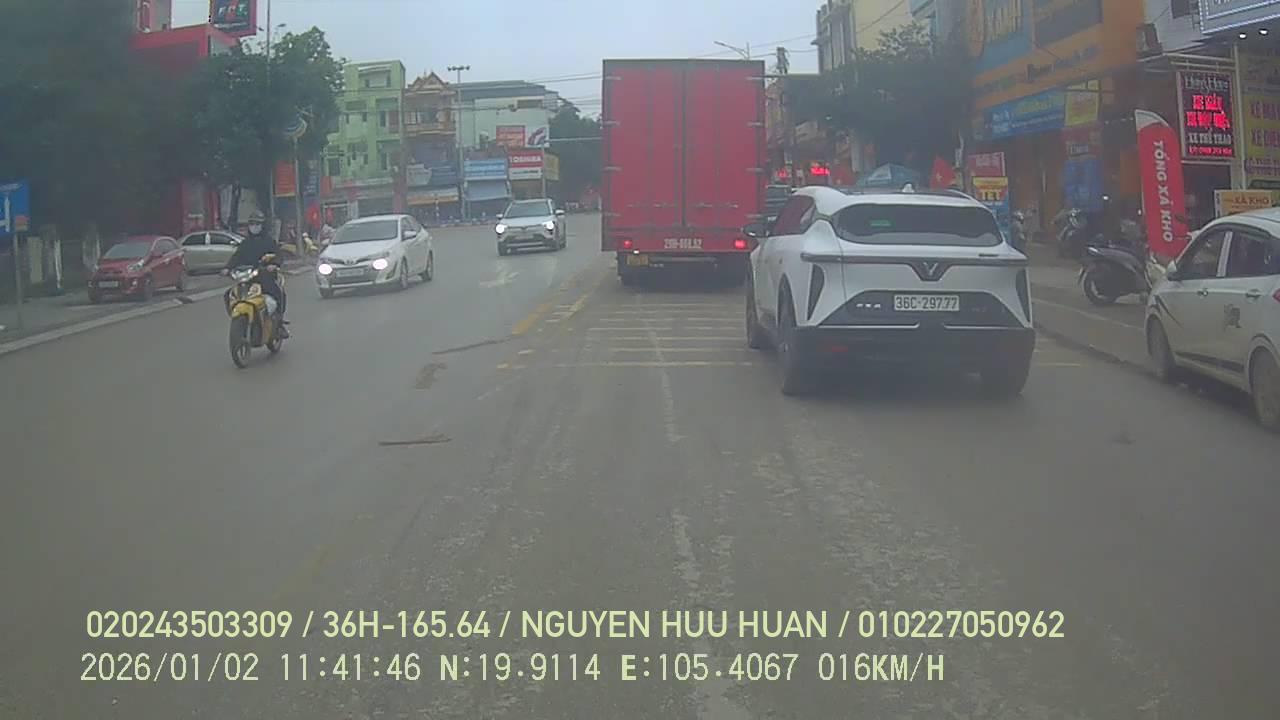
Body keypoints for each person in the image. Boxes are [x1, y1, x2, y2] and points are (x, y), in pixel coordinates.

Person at [223, 211, 289, 337]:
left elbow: (278, 255)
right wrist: (227, 268)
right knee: (228, 295)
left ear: (262, 225)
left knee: (278, 293)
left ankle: (279, 324)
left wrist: (274, 264)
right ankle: (238, 317)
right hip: (247, 277)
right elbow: (236, 257)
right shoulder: (245, 243)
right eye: (252, 224)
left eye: (257, 224)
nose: (254, 226)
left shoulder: (269, 241)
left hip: (265, 276)